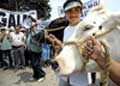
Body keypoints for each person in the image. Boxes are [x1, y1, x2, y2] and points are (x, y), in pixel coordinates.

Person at [48, 0, 90, 86]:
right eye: (69, 11)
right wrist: (57, 42)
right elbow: (67, 48)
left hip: (81, 79)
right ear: (65, 14)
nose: (73, 14)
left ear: (81, 12)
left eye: (76, 10)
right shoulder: (66, 30)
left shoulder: (86, 28)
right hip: (65, 74)